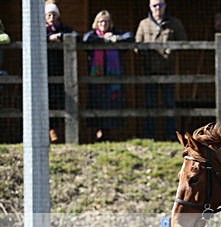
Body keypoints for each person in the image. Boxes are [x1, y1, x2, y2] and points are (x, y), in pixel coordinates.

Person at [135, 0, 187, 140]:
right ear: (150, 7)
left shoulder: (174, 23)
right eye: (155, 5)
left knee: (169, 104)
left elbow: (184, 41)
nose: (158, 8)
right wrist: (146, 53)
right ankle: (150, 136)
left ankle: (170, 136)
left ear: (165, 6)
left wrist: (171, 49)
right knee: (150, 104)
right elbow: (137, 45)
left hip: (168, 69)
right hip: (149, 70)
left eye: (161, 5)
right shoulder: (144, 24)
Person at [83, 11, 134, 142]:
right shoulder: (93, 36)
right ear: (96, 23)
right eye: (101, 21)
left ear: (110, 23)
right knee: (97, 103)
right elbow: (85, 39)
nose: (103, 24)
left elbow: (130, 37)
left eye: (106, 21)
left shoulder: (116, 34)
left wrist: (116, 39)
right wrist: (104, 39)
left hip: (113, 82)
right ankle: (98, 132)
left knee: (112, 103)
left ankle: (109, 133)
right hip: (97, 80)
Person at [45, 2, 77, 143]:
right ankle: (51, 130)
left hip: (61, 68)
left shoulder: (63, 28)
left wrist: (62, 37)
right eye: (49, 15)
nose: (51, 17)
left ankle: (59, 132)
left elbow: (76, 35)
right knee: (47, 100)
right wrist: (48, 39)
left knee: (60, 100)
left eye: (54, 15)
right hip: (44, 69)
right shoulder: (41, 30)